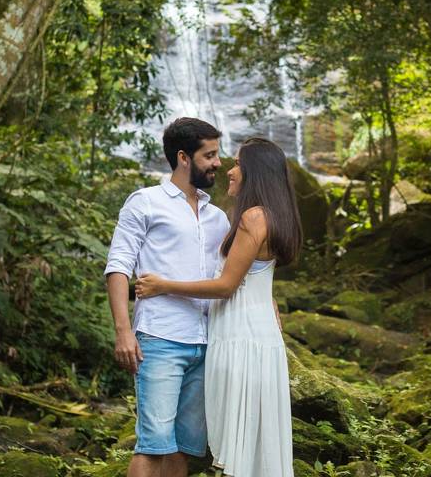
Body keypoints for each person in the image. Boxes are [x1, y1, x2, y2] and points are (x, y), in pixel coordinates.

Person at [135, 137, 300, 477]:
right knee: (255, 438)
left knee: (240, 444)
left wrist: (163, 285)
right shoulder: (276, 216)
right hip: (258, 335)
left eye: (238, 163)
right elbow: (253, 277)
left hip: (240, 336)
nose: (230, 170)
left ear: (254, 172)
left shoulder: (253, 217)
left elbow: (226, 285)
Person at [104, 118, 230, 477]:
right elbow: (118, 267)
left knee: (182, 449)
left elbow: (231, 278)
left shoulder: (218, 217)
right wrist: (123, 331)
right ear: (183, 157)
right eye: (210, 155)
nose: (218, 163)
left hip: (207, 344)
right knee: (153, 445)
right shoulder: (145, 202)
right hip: (160, 339)